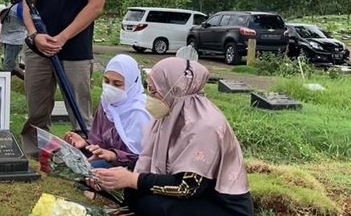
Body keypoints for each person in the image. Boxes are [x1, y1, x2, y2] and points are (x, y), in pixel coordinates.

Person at [93, 57, 254, 216]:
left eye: (155, 92)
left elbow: (188, 186)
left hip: (221, 205)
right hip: (198, 197)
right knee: (134, 194)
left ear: (174, 90)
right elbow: (152, 161)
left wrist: (132, 179)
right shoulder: (171, 116)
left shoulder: (205, 126)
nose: (150, 98)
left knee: (151, 206)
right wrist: (118, 174)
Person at [21, 0, 109, 157]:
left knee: (78, 108)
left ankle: (84, 154)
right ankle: (35, 152)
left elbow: (96, 6)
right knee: (37, 106)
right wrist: (35, 35)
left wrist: (62, 36)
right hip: (38, 49)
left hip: (75, 49)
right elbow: (28, 3)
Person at [64, 54, 151, 169]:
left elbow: (143, 156)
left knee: (87, 169)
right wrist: (85, 144)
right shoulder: (106, 104)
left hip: (130, 167)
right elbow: (98, 142)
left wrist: (113, 155)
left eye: (117, 84)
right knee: (67, 159)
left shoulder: (139, 112)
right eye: (106, 81)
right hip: (105, 159)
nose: (110, 88)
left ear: (132, 84)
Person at [0, 0, 26, 72]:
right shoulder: (11, 3)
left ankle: (28, 80)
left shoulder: (21, 6)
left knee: (8, 67)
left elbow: (27, 22)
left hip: (15, 40)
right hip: (8, 38)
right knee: (10, 64)